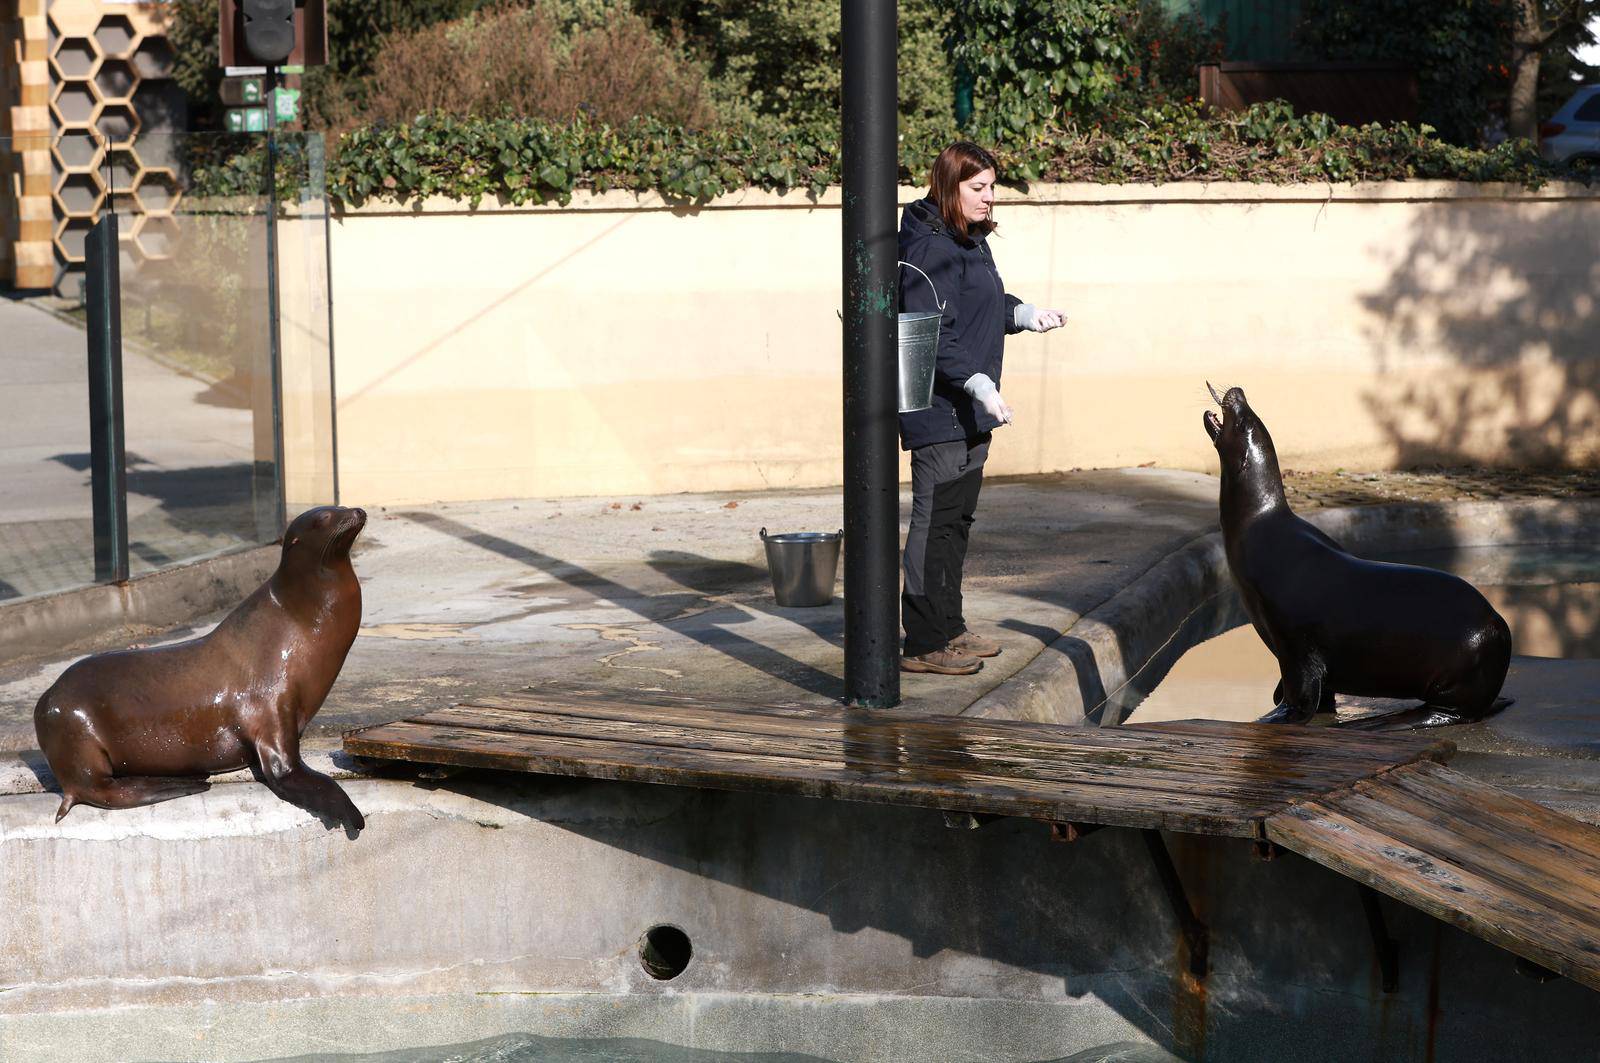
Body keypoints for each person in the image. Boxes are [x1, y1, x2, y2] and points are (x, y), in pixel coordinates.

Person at [897, 141, 1065, 675]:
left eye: (991, 187)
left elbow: (982, 300)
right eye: (978, 188)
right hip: (937, 408)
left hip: (971, 407)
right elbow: (929, 334)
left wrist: (1023, 313)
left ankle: (950, 627)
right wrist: (975, 382)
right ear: (949, 187)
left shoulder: (968, 239)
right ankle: (923, 643)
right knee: (934, 522)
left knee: (958, 522)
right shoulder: (927, 247)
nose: (990, 198)